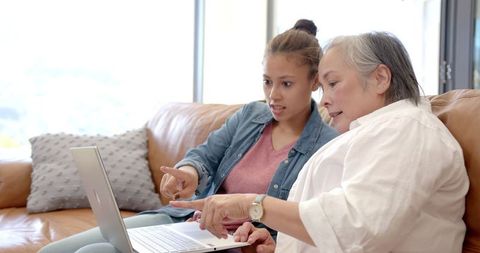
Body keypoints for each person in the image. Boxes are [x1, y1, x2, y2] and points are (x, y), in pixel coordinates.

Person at [38, 19, 338, 253]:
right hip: (184, 223)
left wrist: (267, 238)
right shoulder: (250, 116)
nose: (272, 95)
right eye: (267, 82)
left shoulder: (325, 146)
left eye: (286, 84)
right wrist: (187, 172)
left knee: (98, 250)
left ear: (314, 82)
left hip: (228, 242)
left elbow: (307, 223)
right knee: (53, 250)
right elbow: (204, 155)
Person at [171, 32, 470, 253]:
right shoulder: (375, 132)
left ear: (380, 78)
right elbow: (342, 226)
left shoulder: (409, 130)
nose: (324, 101)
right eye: (323, 87)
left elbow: (357, 227)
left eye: (333, 83)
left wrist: (253, 205)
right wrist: (280, 246)